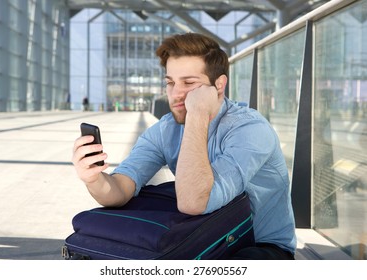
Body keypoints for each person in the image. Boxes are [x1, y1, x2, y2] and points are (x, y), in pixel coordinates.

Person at [72, 32, 296, 260]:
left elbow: (194, 203)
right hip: (204, 238)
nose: (176, 93)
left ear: (219, 85)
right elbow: (120, 189)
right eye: (170, 82)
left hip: (257, 246)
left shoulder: (250, 130)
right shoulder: (166, 129)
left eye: (189, 83)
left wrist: (198, 114)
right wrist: (94, 179)